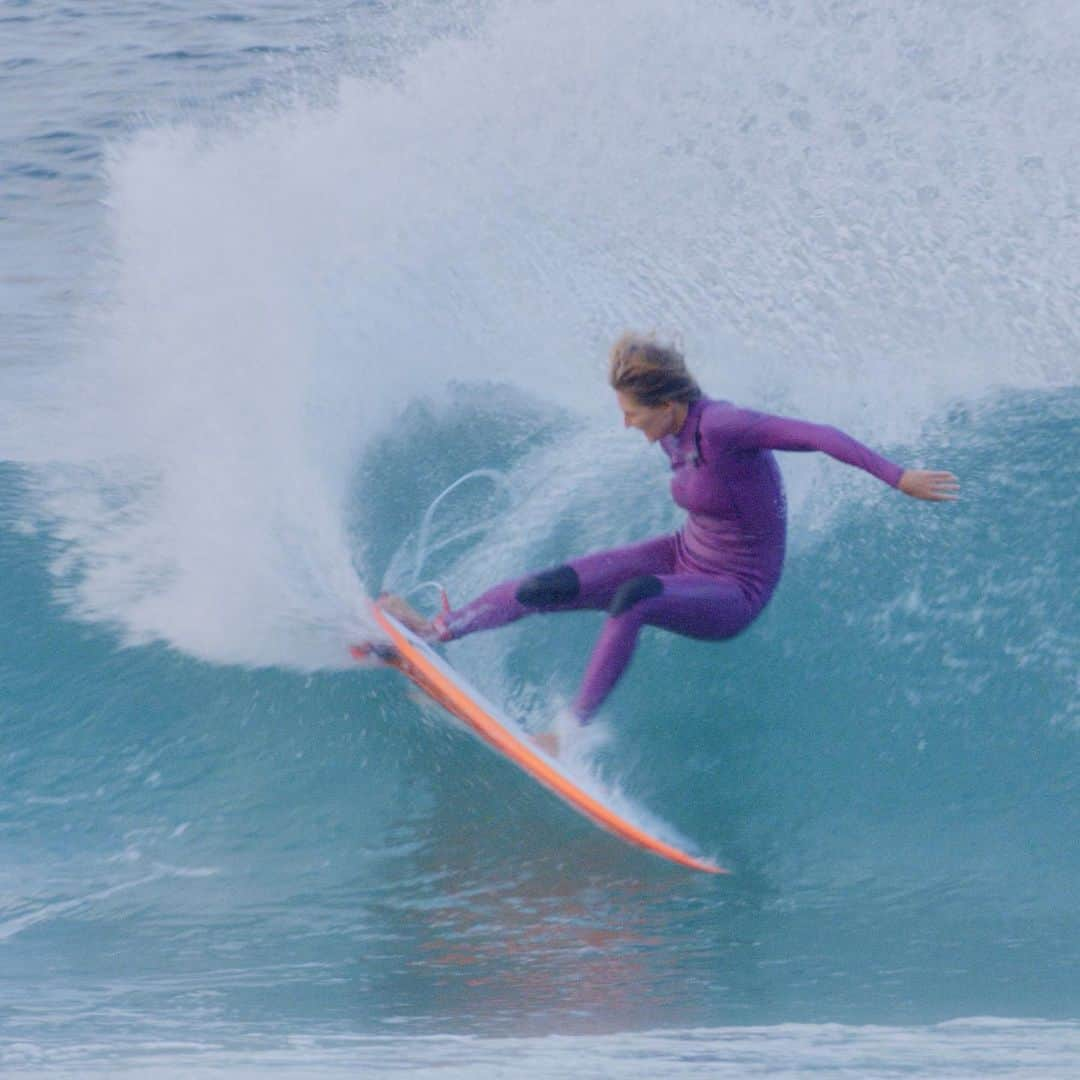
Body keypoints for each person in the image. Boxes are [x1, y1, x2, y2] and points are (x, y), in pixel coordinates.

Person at [381, 333, 958, 743]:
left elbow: (818, 435)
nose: (626, 423)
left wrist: (898, 477)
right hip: (685, 553)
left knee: (635, 596)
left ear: (669, 404)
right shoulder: (669, 428)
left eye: (633, 413)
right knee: (548, 585)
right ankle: (439, 630)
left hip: (735, 590)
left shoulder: (726, 425)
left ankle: (567, 736)